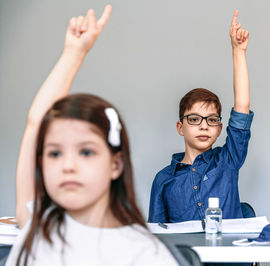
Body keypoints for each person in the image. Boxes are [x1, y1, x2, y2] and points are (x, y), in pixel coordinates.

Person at [7, 5, 178, 266]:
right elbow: (35, 126)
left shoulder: (146, 255)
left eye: (86, 151)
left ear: (115, 164)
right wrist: (73, 53)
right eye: (54, 153)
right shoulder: (36, 227)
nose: (68, 165)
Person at [148, 10, 253, 223]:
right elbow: (158, 236)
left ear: (219, 129)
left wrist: (238, 52)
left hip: (228, 256)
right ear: (180, 127)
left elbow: (242, 106)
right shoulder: (164, 180)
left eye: (212, 120)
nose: (204, 126)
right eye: (195, 119)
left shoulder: (227, 161)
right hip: (188, 257)